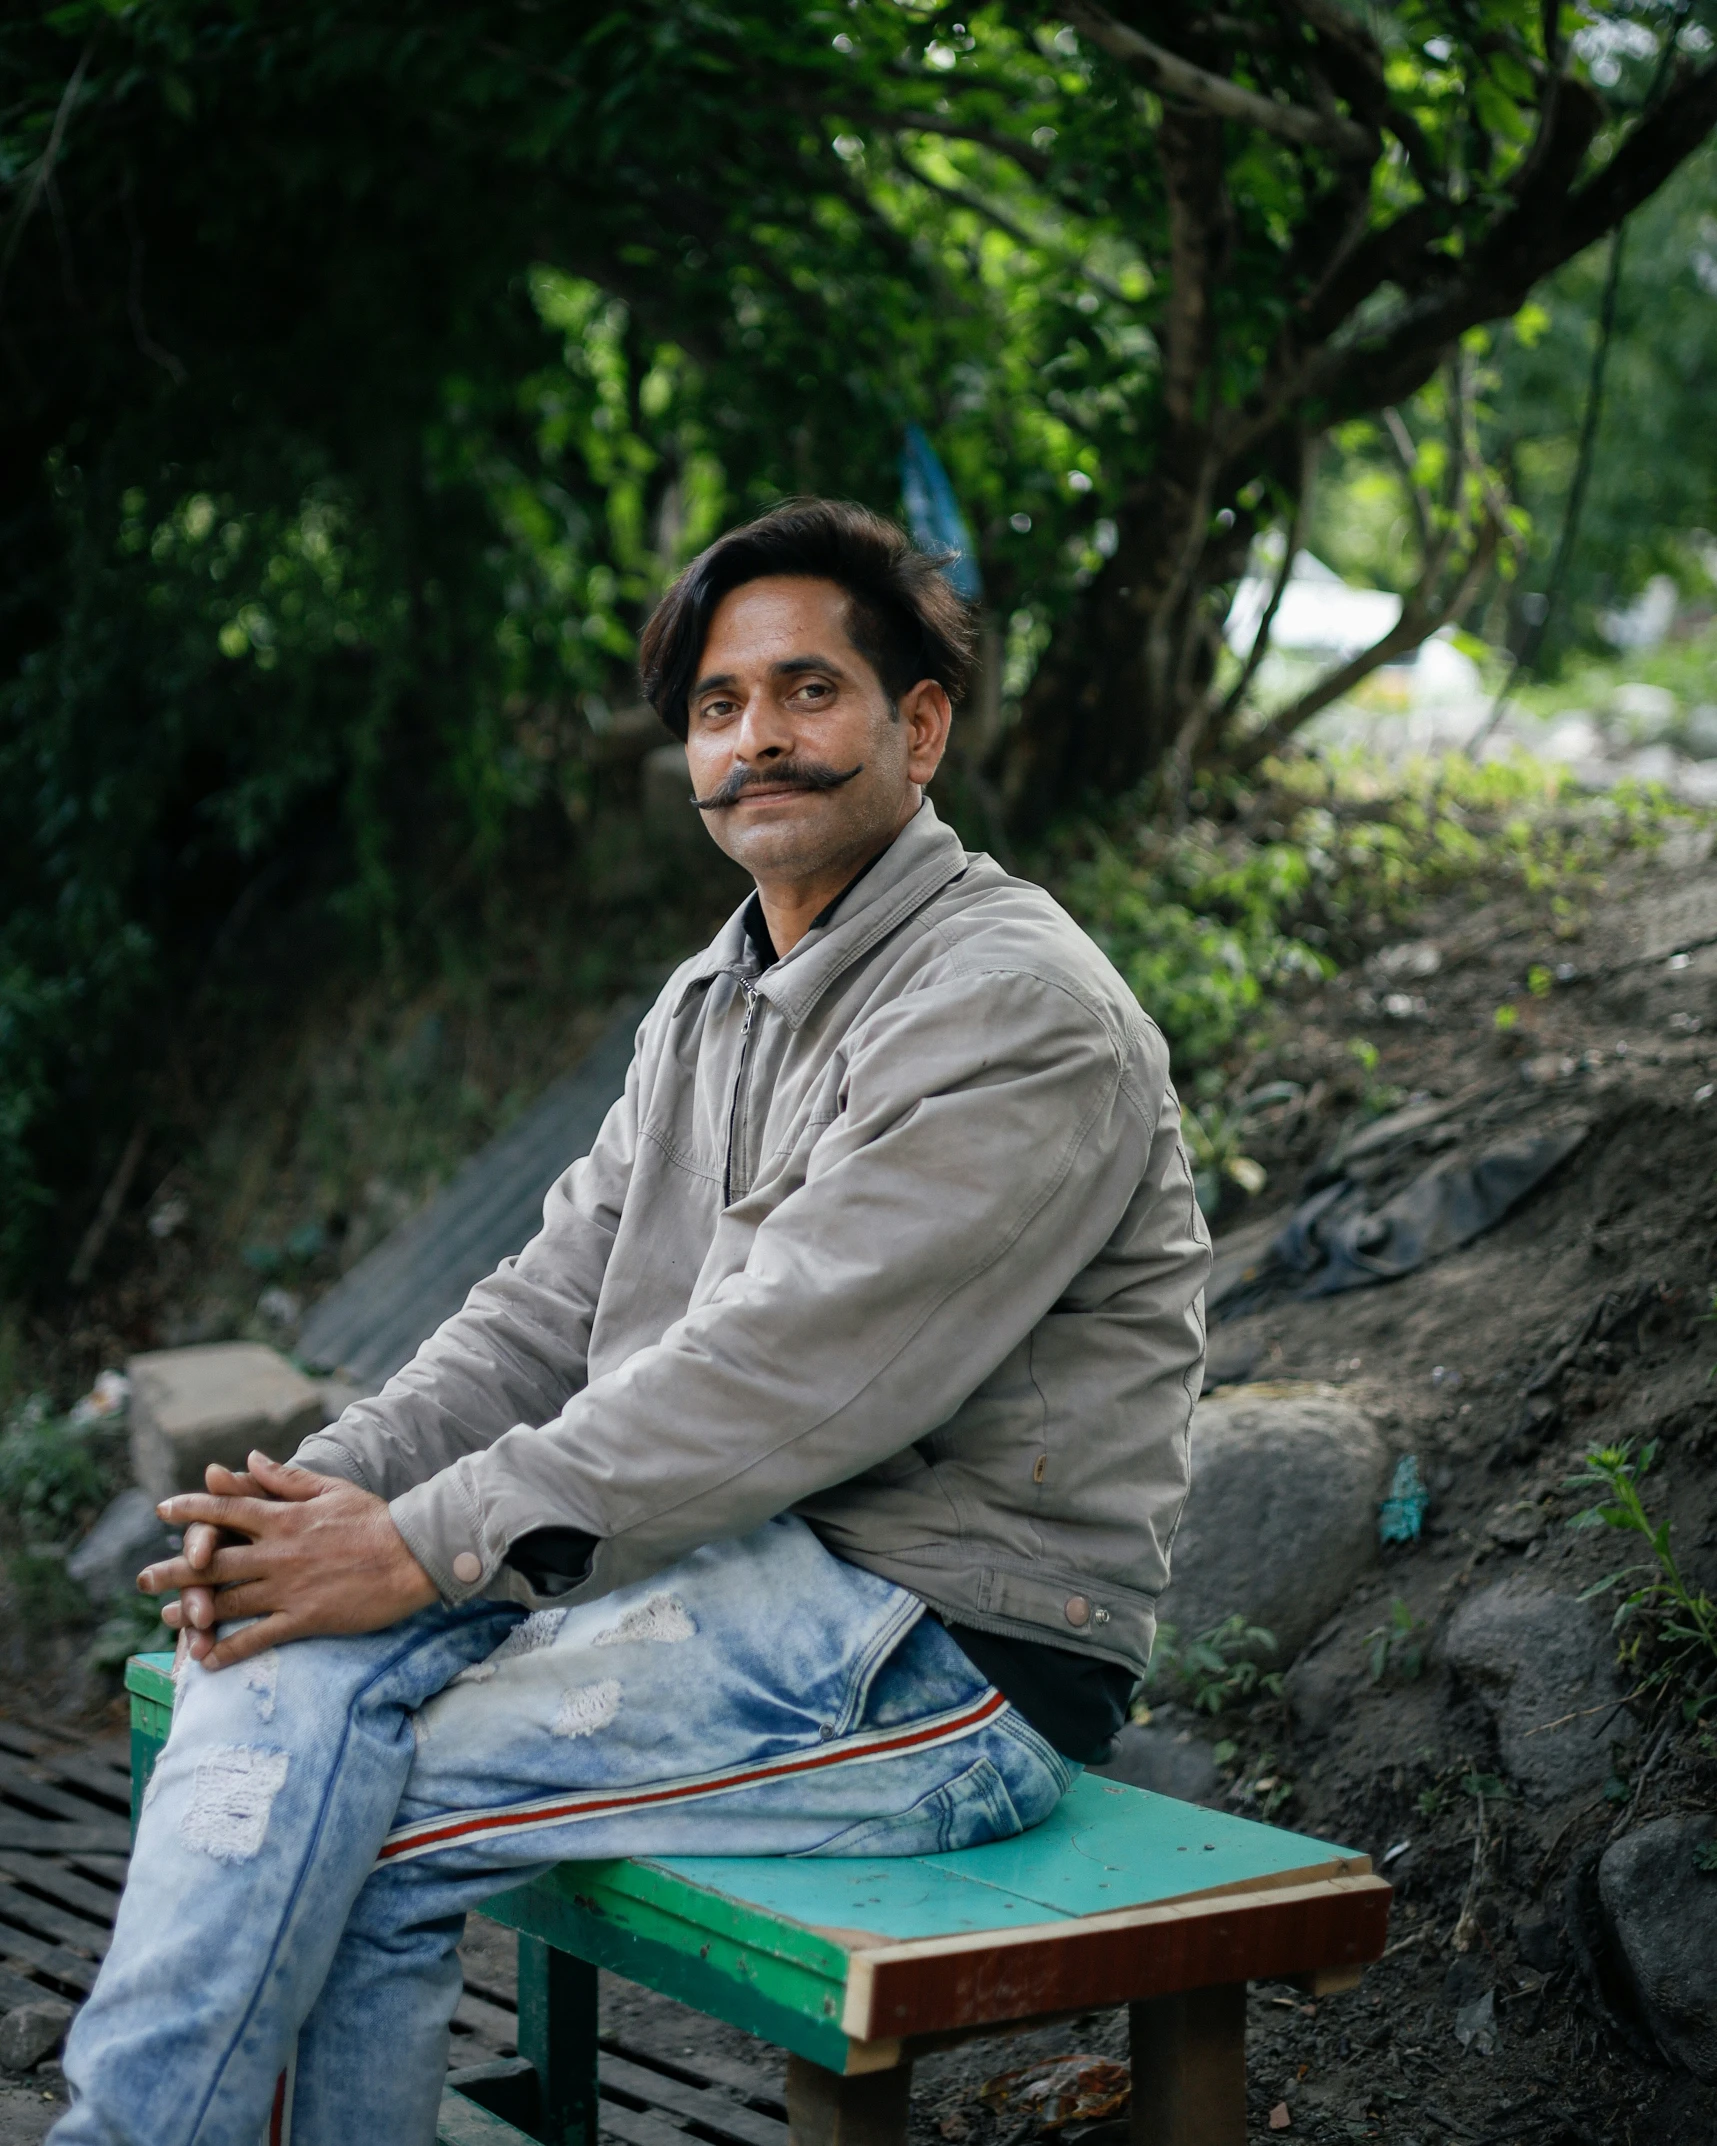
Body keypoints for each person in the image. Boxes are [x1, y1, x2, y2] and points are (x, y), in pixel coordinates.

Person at [56, 499, 1210, 2145]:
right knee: (284, 1663)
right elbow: (542, 1310)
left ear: (922, 724)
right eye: (719, 707)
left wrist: (418, 1545)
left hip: (948, 1649)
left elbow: (776, 1382)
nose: (760, 740)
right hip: (718, 1573)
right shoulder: (714, 996)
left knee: (355, 1812)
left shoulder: (1015, 1009)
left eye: (809, 691)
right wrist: (310, 1500)